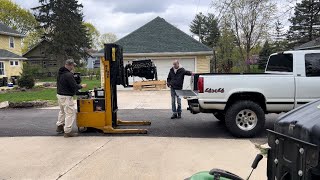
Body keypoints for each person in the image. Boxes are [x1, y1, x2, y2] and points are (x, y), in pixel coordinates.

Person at [56, 59, 87, 138]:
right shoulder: (69, 75)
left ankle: (60, 126)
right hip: (66, 96)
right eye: (73, 66)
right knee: (70, 113)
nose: (73, 67)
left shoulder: (60, 73)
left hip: (60, 95)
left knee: (62, 111)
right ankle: (67, 132)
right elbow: (74, 86)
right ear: (70, 65)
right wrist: (82, 86)